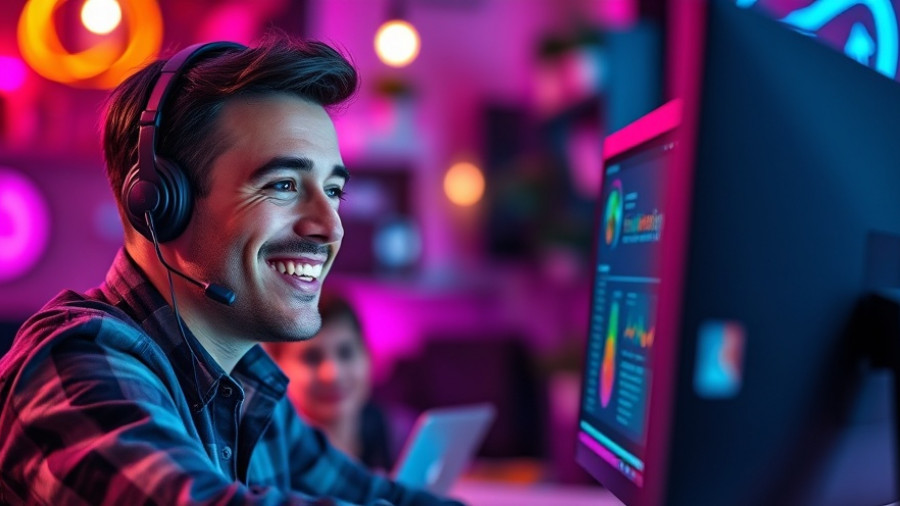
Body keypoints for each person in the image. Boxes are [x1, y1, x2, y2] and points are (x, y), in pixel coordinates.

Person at [0, 35, 462, 506]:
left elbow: (375, 494)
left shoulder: (247, 387)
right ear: (159, 203)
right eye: (283, 184)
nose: (330, 227)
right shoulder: (73, 361)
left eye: (333, 191)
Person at [267, 292, 411, 473]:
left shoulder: (402, 435)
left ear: (368, 357)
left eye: (346, 353)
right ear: (275, 367)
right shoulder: (265, 456)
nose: (332, 374)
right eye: (311, 357)